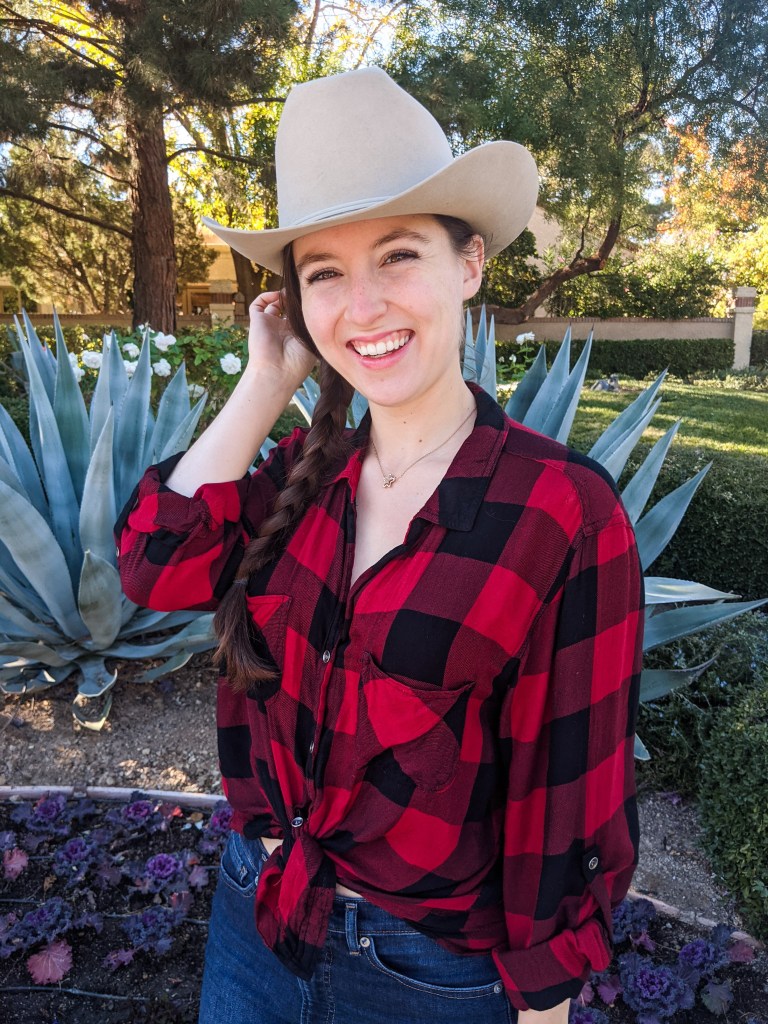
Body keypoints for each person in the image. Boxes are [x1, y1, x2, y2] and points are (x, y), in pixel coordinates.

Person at [116, 67, 644, 1024]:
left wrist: (543, 1006)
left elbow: (566, 787)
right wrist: (265, 382)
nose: (362, 308)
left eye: (398, 256)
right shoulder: (298, 476)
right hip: (259, 913)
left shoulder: (561, 513)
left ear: (470, 264)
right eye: (324, 273)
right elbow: (155, 566)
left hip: (429, 975)